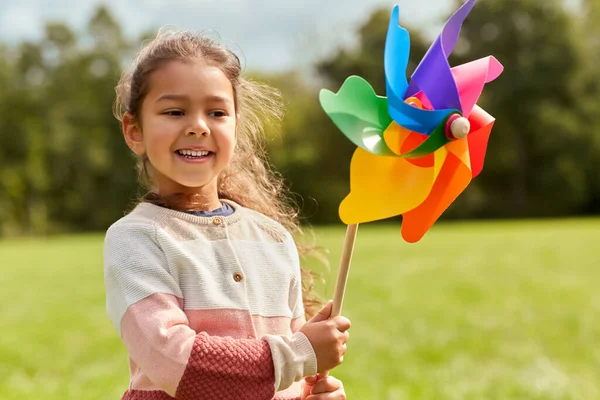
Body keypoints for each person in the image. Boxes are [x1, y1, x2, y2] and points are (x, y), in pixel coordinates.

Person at [103, 28, 351, 400]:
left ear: (235, 126)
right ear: (134, 131)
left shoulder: (272, 237)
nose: (198, 126)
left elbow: (295, 369)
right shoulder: (135, 239)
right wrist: (300, 353)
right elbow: (174, 361)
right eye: (175, 111)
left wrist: (312, 391)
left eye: (217, 112)